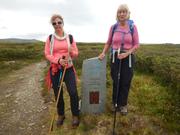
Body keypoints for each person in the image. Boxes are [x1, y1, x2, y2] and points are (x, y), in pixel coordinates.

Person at [99, 4, 139, 115]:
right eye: (120, 12)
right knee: (116, 80)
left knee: (126, 81)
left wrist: (127, 53)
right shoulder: (113, 27)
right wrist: (103, 53)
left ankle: (123, 104)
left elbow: (136, 44)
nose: (122, 14)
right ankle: (115, 103)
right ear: (117, 14)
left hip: (128, 57)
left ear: (128, 14)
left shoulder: (132, 27)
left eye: (124, 12)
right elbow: (108, 42)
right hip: (115, 57)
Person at [44, 14, 80, 128]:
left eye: (59, 22)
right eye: (54, 23)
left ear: (62, 23)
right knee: (57, 93)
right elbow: (47, 54)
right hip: (56, 69)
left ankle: (75, 115)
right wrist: (58, 60)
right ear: (52, 25)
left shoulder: (70, 37)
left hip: (68, 69)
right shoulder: (50, 38)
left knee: (73, 92)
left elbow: (76, 54)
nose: (57, 25)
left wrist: (71, 51)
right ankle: (61, 115)